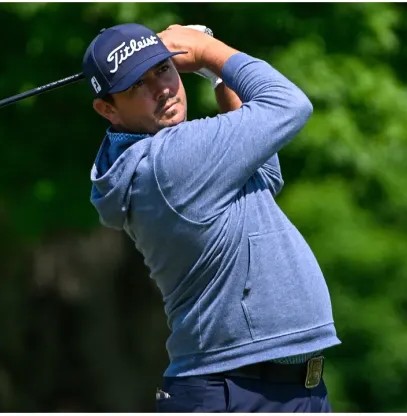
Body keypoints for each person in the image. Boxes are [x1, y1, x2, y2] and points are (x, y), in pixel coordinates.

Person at [82, 22, 342, 412]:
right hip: (235, 392)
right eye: (137, 85)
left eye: (164, 69)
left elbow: (266, 176)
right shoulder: (170, 160)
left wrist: (215, 72)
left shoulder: (161, 160)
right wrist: (207, 50)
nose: (162, 89)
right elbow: (289, 104)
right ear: (107, 109)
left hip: (273, 389)